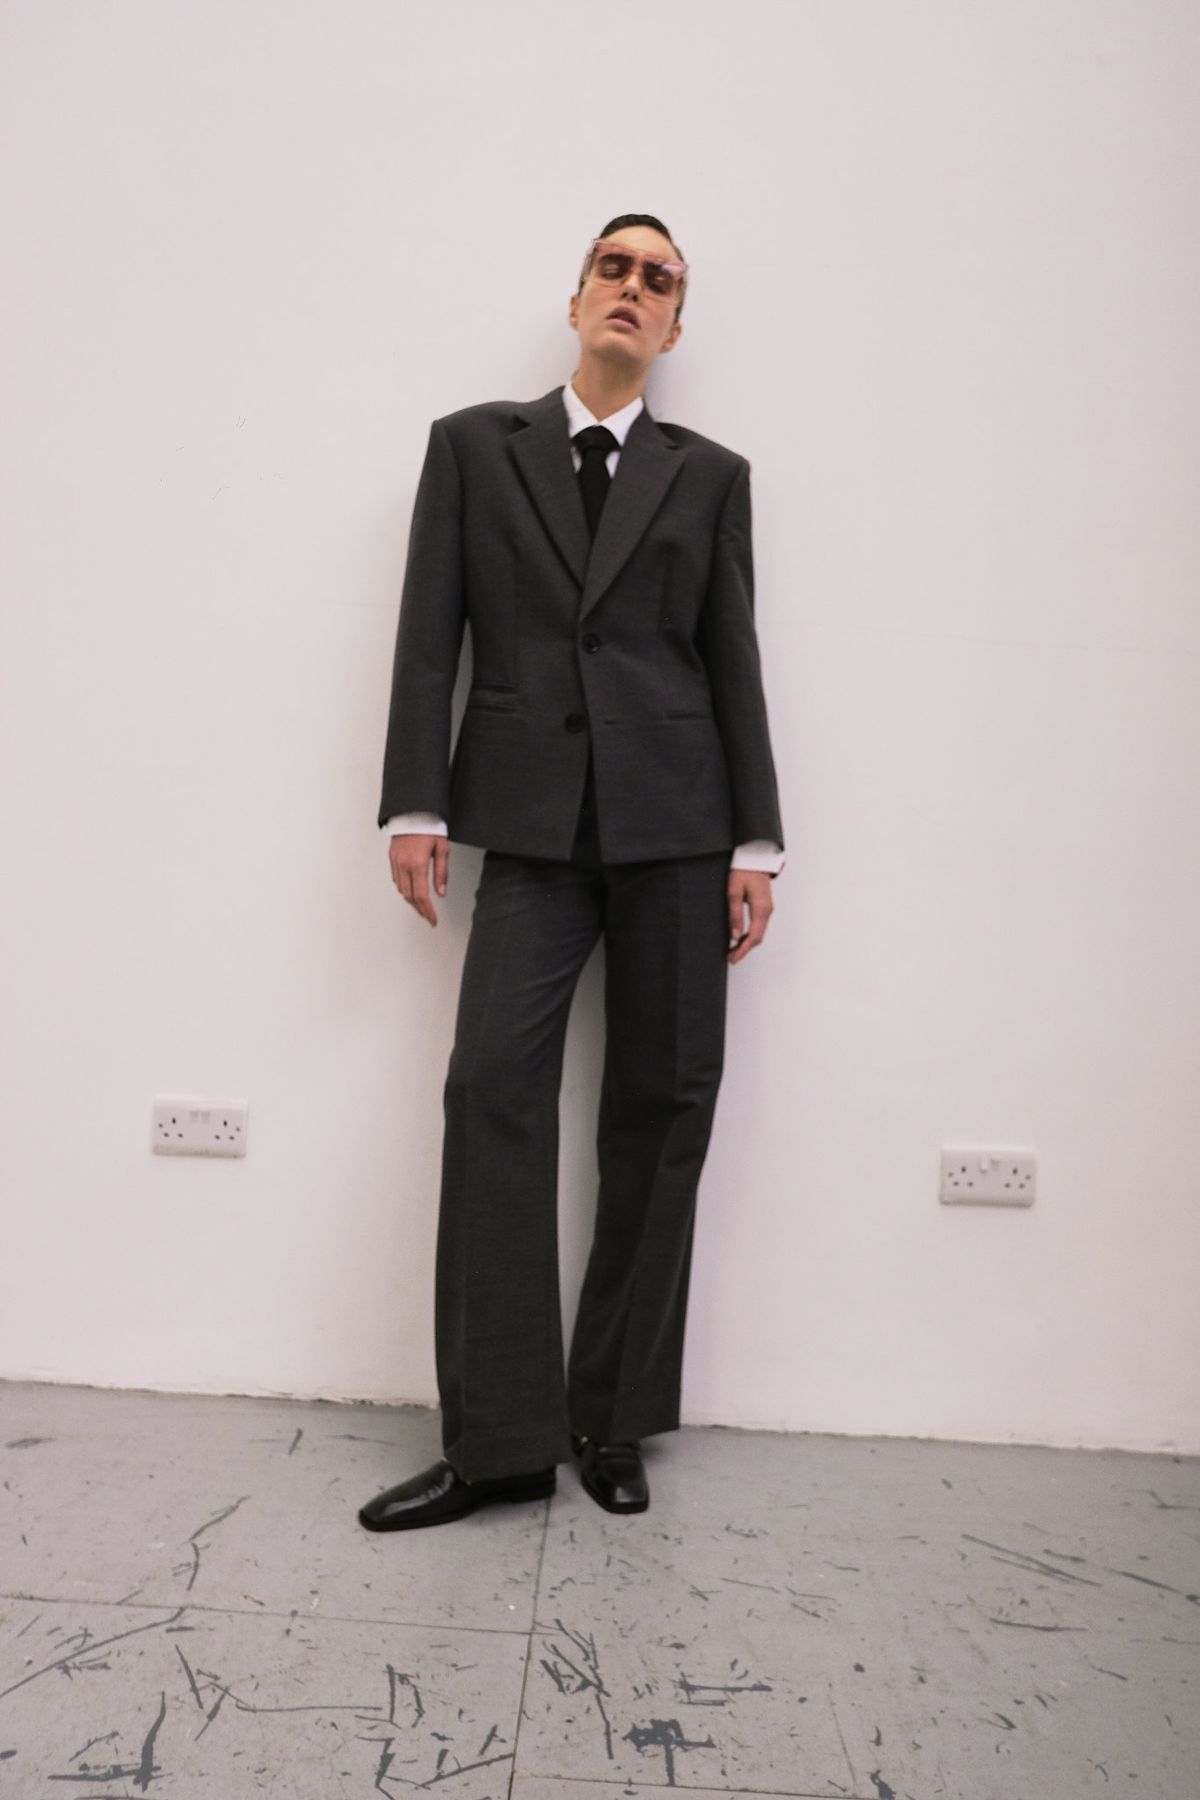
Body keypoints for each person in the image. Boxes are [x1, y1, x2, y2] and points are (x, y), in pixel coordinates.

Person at [359, 213, 784, 1532]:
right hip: (533, 832)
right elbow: (433, 635)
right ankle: (496, 1441)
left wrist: (757, 840)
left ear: (673, 326)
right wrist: (414, 803)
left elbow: (733, 659)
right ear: (578, 295)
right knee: (493, 1091)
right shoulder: (476, 448)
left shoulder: (710, 474)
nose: (633, 290)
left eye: (660, 281)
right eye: (616, 267)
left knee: (661, 1117)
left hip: (676, 827)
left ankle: (610, 1418)